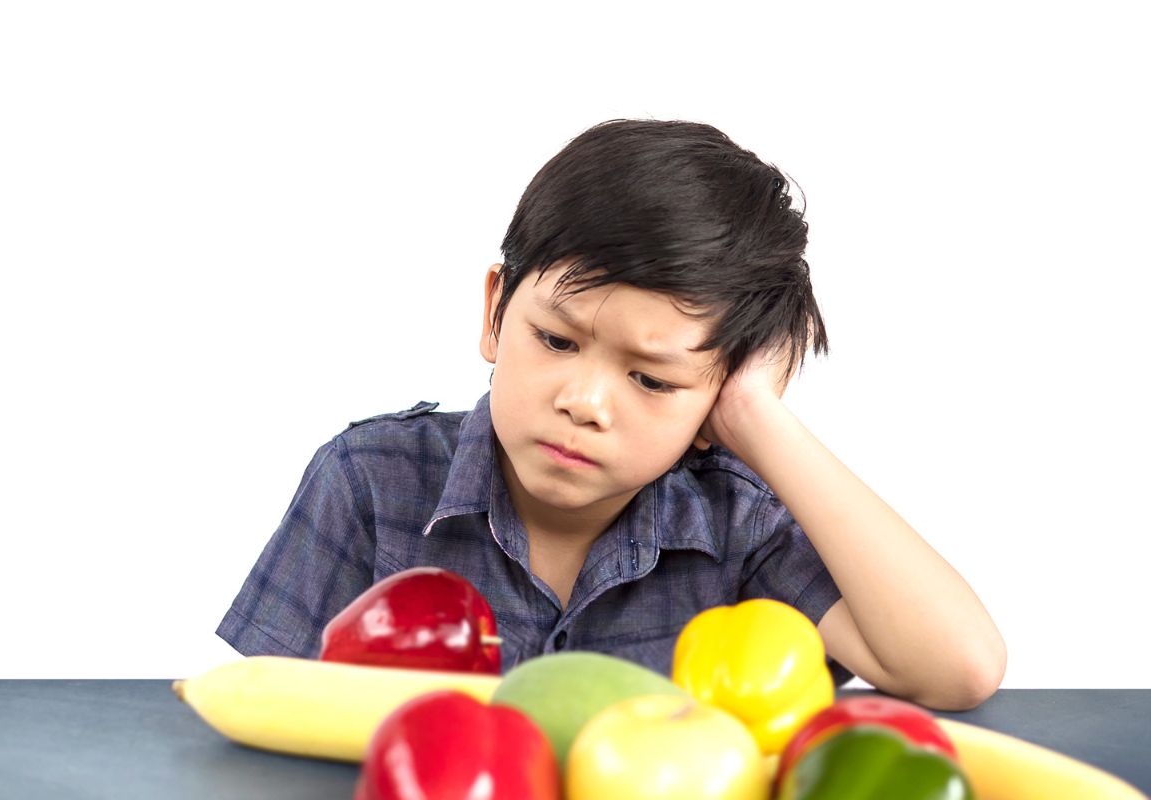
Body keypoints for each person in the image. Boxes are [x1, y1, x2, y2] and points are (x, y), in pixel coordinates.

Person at [216, 119, 1006, 711]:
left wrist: (758, 418)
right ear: (496, 311)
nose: (584, 403)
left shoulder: (735, 522)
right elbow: (265, 711)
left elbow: (957, 667)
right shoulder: (370, 481)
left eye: (653, 380)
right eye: (557, 339)